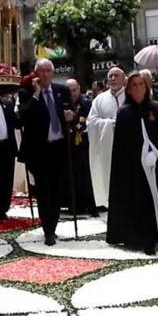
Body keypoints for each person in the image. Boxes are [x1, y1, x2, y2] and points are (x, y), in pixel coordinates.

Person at [107, 72, 158, 255]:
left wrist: (156, 153)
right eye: (134, 85)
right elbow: (122, 146)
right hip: (134, 169)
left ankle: (155, 236)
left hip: (156, 166)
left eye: (141, 84)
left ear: (146, 87)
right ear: (129, 89)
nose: (138, 88)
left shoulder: (156, 108)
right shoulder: (124, 113)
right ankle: (139, 238)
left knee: (156, 199)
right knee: (138, 201)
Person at [17, 59, 74, 246]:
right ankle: (47, 230)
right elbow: (23, 116)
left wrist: (69, 117)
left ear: (53, 72)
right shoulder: (27, 92)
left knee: (56, 190)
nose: (45, 74)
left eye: (48, 71)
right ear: (36, 74)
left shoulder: (62, 90)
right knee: (44, 191)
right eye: (41, 71)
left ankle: (53, 226)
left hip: (58, 147)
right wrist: (36, 94)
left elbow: (69, 113)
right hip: (39, 150)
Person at [86, 67, 126, 209]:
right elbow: (90, 122)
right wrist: (110, 124)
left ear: (124, 78)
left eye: (116, 75)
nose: (113, 78)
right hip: (106, 148)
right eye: (111, 76)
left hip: (127, 147)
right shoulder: (99, 99)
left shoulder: (130, 96)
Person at [65, 79, 97, 216]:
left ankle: (90, 205)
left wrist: (73, 126)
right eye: (69, 91)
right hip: (68, 144)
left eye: (74, 90)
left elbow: (85, 122)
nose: (72, 93)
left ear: (79, 88)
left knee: (86, 175)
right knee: (71, 176)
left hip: (83, 143)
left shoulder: (86, 103)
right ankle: (73, 205)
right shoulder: (64, 104)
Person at [0, 89, 18, 222]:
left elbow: (15, 122)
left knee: (8, 179)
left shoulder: (8, 104)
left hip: (8, 147)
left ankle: (5, 207)